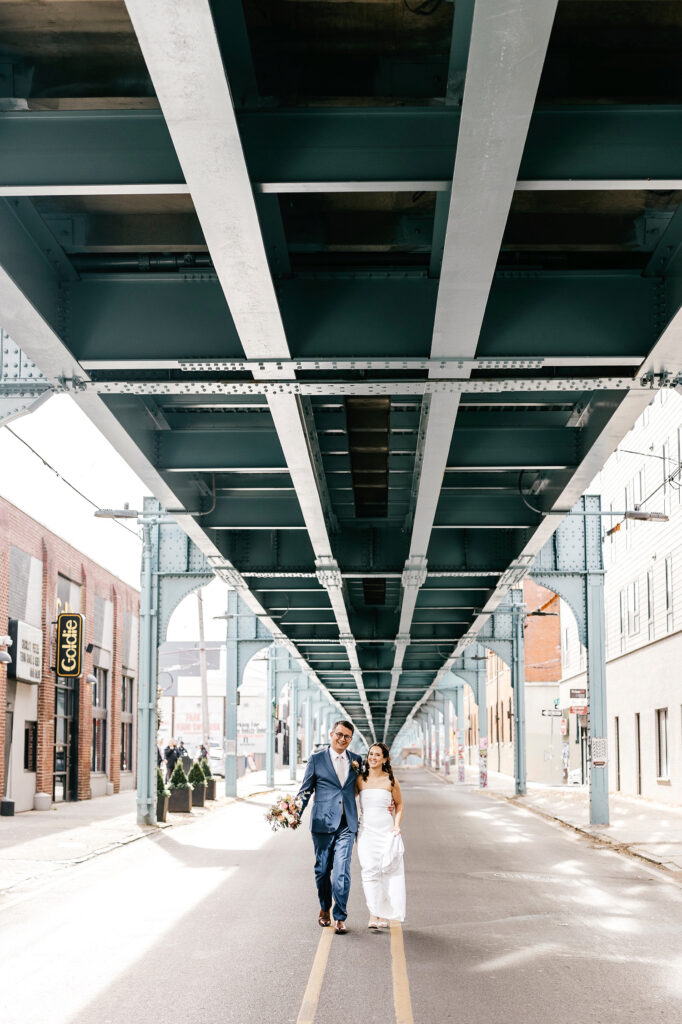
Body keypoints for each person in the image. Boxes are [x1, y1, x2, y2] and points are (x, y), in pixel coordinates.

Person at [297, 720, 364, 934]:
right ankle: (325, 907)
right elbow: (305, 790)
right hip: (323, 823)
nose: (342, 739)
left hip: (347, 824)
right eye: (339, 734)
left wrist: (386, 800)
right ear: (331, 734)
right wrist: (294, 812)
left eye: (347, 736)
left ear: (351, 739)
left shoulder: (356, 760)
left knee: (341, 871)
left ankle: (340, 916)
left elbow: (365, 786)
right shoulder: (316, 760)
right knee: (323, 870)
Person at [356, 742, 405, 929]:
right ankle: (373, 913)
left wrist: (396, 826)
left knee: (384, 871)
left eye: (377, 755)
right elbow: (348, 800)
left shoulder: (390, 780)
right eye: (370, 754)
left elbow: (399, 805)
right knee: (369, 871)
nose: (373, 758)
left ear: (384, 759)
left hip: (385, 830)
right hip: (366, 830)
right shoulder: (360, 779)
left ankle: (382, 912)